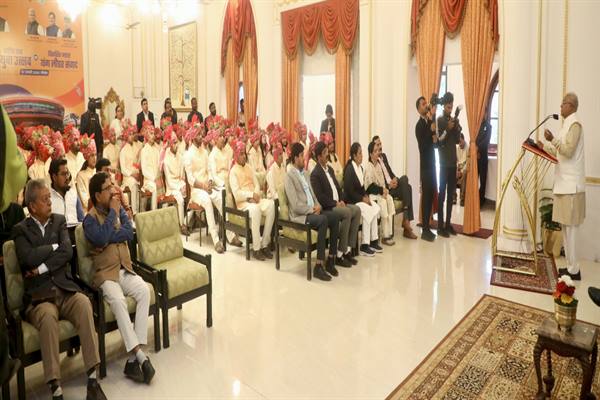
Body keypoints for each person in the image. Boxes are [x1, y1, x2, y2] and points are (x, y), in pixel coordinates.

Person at [12, 179, 106, 400]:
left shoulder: (59, 221)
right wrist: (53, 247)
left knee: (84, 303)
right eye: (45, 199)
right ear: (32, 206)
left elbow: (67, 252)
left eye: (49, 198)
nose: (50, 202)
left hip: (64, 288)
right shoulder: (20, 230)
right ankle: (56, 388)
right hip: (40, 297)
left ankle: (93, 379)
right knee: (47, 318)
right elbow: (27, 258)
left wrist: (41, 267)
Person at [83, 172, 155, 384]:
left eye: (112, 185)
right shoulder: (89, 220)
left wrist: (108, 236)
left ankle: (133, 360)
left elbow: (129, 233)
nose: (113, 190)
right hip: (106, 274)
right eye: (108, 188)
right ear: (97, 195)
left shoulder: (117, 209)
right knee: (118, 301)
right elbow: (99, 238)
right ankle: (140, 357)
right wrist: (113, 218)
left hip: (124, 268)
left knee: (143, 290)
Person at [537, 92, 585, 280]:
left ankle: (575, 270)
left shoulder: (575, 125)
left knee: (571, 230)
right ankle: (571, 268)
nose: (560, 107)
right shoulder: (566, 125)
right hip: (564, 184)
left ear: (571, 105)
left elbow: (568, 151)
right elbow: (559, 152)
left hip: (572, 186)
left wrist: (552, 140)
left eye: (563, 103)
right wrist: (544, 147)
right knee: (565, 228)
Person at [285, 143, 341, 281]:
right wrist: (312, 209)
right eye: (301, 156)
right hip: (301, 216)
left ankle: (331, 259)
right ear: (295, 158)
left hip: (313, 211)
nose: (304, 159)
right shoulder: (289, 176)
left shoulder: (305, 173)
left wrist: (318, 206)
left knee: (334, 217)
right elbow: (295, 205)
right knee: (323, 220)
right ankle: (318, 266)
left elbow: (314, 195)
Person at [311, 142, 360, 266]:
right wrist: (335, 203)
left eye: (327, 152)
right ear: (319, 157)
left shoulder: (330, 169)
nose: (327, 155)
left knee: (357, 210)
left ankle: (347, 250)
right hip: (329, 207)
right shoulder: (315, 174)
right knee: (347, 212)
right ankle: (339, 254)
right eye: (324, 153)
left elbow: (338, 188)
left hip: (338, 203)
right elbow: (320, 197)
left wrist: (342, 200)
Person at [229, 141, 275, 261]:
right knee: (255, 210)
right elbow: (237, 194)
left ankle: (265, 244)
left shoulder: (249, 167)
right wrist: (250, 196)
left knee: (271, 205)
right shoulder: (233, 172)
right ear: (236, 155)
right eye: (241, 154)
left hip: (255, 199)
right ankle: (256, 248)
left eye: (244, 153)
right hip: (243, 204)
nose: (244, 156)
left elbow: (257, 184)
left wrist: (256, 194)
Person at [183, 125, 225, 253]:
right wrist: (203, 186)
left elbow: (210, 170)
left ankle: (230, 234)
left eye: (202, 134)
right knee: (207, 201)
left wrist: (210, 182)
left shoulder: (205, 152)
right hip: (196, 191)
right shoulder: (188, 155)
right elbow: (190, 179)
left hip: (207, 186)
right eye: (198, 135)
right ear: (193, 137)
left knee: (221, 197)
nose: (201, 137)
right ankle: (216, 240)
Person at [371, 136, 417, 239]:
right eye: (377, 145)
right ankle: (406, 223)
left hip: (393, 185)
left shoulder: (383, 156)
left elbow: (390, 172)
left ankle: (406, 221)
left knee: (405, 181)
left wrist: (395, 178)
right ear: (374, 148)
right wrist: (389, 185)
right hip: (387, 190)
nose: (380, 146)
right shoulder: (373, 162)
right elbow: (378, 182)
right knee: (408, 187)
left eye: (380, 144)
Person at [343, 143, 382, 256]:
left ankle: (374, 241)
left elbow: (362, 188)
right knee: (367, 210)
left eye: (362, 153)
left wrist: (366, 197)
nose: (362, 155)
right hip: (351, 201)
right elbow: (349, 191)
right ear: (354, 156)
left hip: (360, 199)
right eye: (360, 153)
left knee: (375, 206)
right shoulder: (349, 169)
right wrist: (362, 199)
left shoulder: (360, 168)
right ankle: (365, 245)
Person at [436, 92, 461, 238]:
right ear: (444, 105)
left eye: (451, 103)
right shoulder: (440, 120)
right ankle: (440, 227)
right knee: (442, 195)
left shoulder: (453, 119)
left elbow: (457, 140)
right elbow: (439, 141)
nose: (450, 106)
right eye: (448, 104)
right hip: (443, 162)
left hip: (452, 162)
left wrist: (456, 127)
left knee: (451, 194)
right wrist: (448, 129)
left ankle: (448, 223)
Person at [415, 96, 438, 242]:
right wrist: (430, 132)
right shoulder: (419, 126)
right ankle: (424, 230)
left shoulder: (429, 122)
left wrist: (434, 134)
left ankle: (428, 227)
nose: (426, 106)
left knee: (430, 195)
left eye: (426, 104)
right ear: (418, 109)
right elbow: (422, 147)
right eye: (423, 104)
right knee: (426, 197)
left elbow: (434, 144)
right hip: (425, 166)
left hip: (432, 164)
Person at [365, 141, 396, 246]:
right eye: (375, 151)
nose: (378, 152)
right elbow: (369, 187)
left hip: (380, 192)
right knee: (383, 202)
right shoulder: (368, 167)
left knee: (389, 199)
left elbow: (382, 182)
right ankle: (384, 235)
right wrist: (381, 191)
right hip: (372, 195)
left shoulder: (378, 165)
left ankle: (390, 233)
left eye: (378, 150)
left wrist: (385, 190)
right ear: (370, 154)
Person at [162, 130, 187, 234]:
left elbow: (182, 176)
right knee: (180, 199)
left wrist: (183, 185)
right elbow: (169, 181)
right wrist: (179, 188)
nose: (176, 145)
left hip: (180, 184)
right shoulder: (165, 160)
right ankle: (182, 225)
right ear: (169, 143)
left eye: (177, 142)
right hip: (172, 188)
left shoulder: (180, 156)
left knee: (191, 194)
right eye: (174, 142)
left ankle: (188, 221)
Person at [49, 159, 84, 225]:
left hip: (75, 230)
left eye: (67, 173)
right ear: (54, 177)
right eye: (63, 174)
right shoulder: (48, 198)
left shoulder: (73, 194)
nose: (67, 177)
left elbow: (81, 220)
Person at [120, 127, 141, 214]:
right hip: (128, 177)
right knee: (134, 183)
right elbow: (123, 169)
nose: (132, 136)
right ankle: (134, 212)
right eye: (130, 134)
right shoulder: (123, 150)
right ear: (126, 136)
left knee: (140, 184)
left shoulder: (135, 147)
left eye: (132, 134)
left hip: (136, 175)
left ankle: (140, 210)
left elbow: (137, 163)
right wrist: (132, 174)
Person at [139, 125, 160, 211]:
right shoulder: (144, 150)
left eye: (154, 134)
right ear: (147, 136)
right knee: (154, 187)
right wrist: (154, 179)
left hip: (156, 179)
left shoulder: (156, 149)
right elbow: (144, 171)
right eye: (151, 134)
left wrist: (158, 178)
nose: (153, 136)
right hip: (148, 181)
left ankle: (161, 211)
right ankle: (154, 211)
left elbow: (159, 166)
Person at [76, 135, 97, 211]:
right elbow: (85, 202)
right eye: (92, 155)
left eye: (95, 154)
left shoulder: (98, 172)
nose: (94, 158)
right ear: (87, 157)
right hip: (88, 212)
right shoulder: (81, 175)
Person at [476, 112, 492, 205]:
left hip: (483, 157)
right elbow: (474, 139)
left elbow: (486, 141)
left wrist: (478, 149)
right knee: (474, 179)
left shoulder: (488, 126)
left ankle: (481, 200)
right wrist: (476, 151)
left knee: (483, 180)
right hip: (475, 156)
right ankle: (474, 199)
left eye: (484, 113)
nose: (482, 115)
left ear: (485, 114)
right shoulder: (476, 126)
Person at [456, 133, 469, 206]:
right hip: (459, 168)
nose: (459, 144)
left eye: (460, 142)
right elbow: (456, 161)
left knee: (464, 173)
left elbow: (467, 162)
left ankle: (462, 198)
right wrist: (457, 170)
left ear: (463, 140)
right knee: (452, 172)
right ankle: (454, 197)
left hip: (464, 169)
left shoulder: (468, 148)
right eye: (458, 142)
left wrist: (461, 171)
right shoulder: (457, 148)